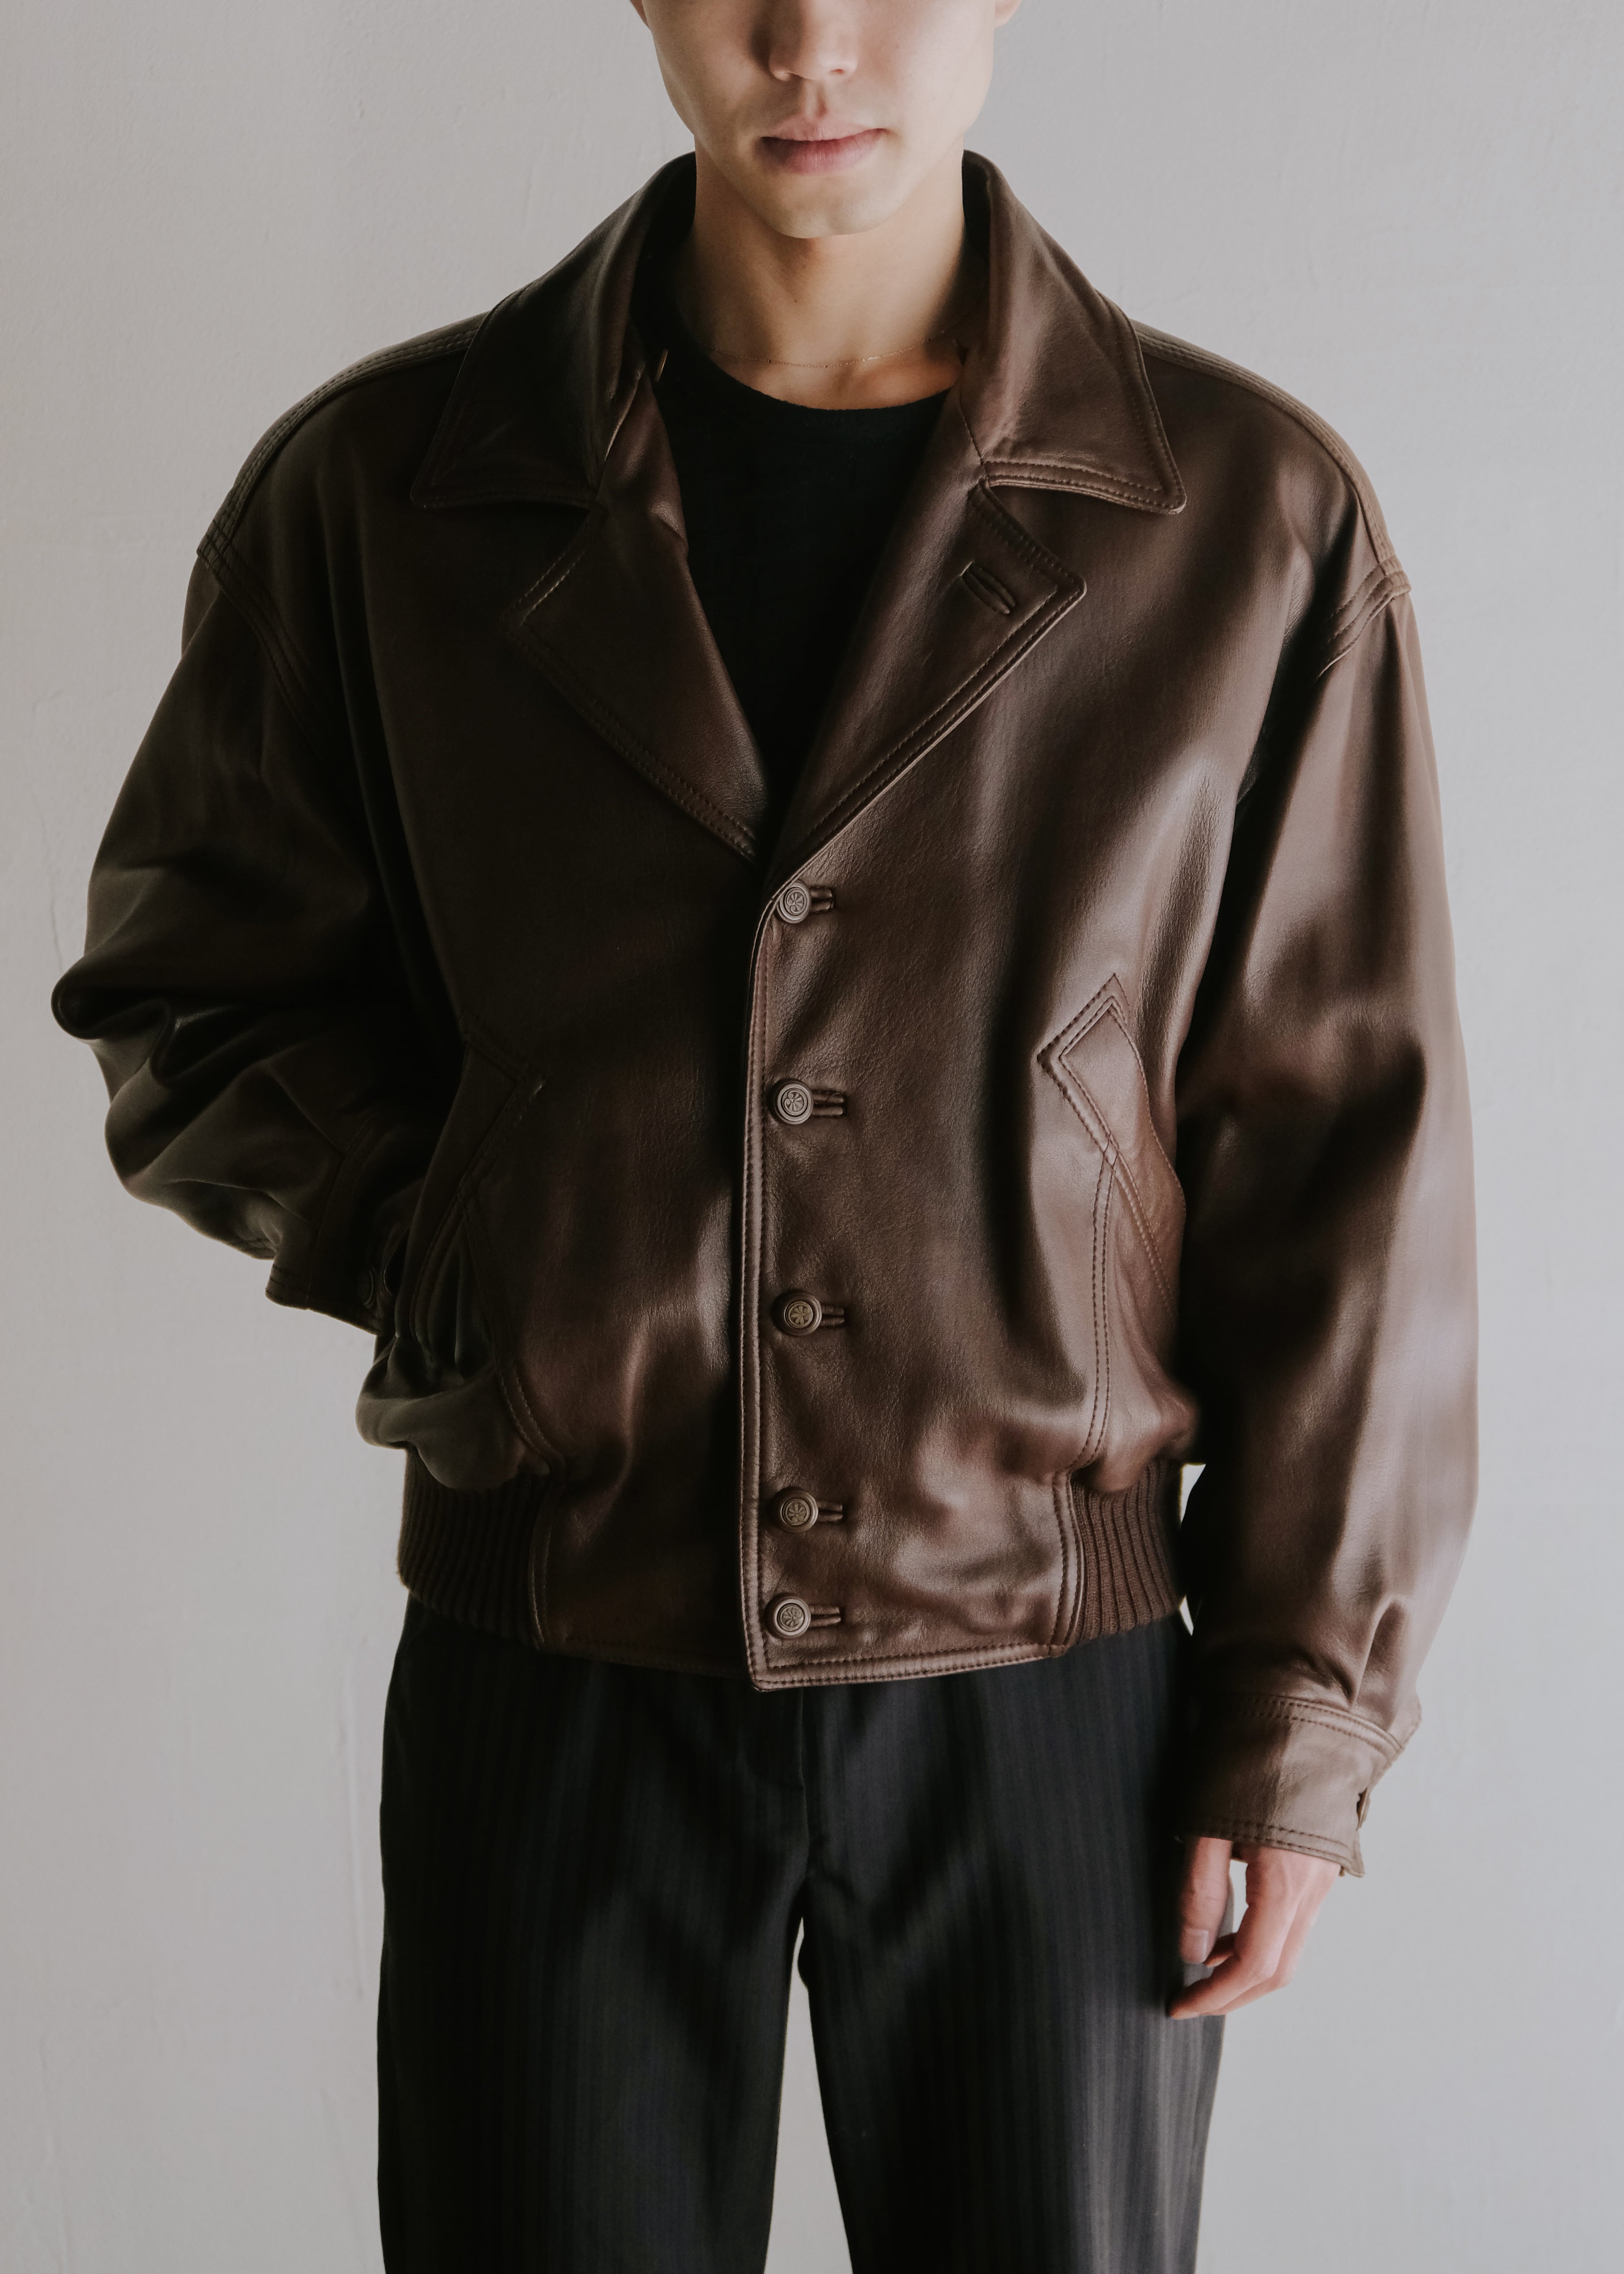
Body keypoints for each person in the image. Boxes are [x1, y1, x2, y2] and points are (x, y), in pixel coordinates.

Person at [50, 1, 1478, 2267]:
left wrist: (1300, 1717)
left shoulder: (1243, 518)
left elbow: (1348, 1161)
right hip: (557, 1643)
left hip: (1055, 1686)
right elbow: (192, 987)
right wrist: (458, 1248)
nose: (809, 39)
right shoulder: (388, 488)